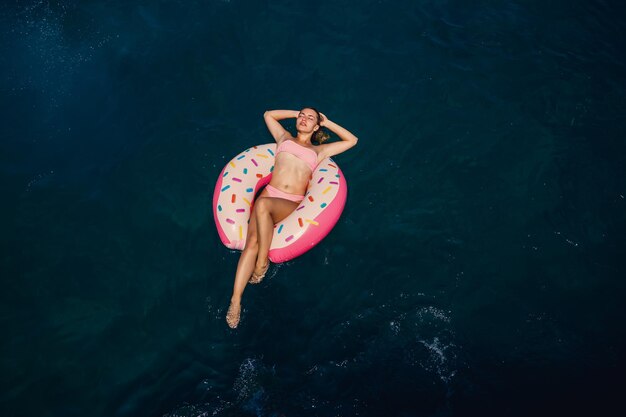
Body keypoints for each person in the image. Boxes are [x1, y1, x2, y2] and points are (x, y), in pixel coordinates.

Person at [226, 108, 358, 328]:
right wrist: (297, 112)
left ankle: (261, 263)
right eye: (301, 116)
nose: (304, 119)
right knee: (251, 243)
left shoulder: (320, 151)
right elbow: (268, 115)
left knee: (263, 204)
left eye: (310, 118)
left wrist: (327, 121)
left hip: (288, 203)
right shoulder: (283, 138)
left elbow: (352, 140)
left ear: (317, 126)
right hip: (269, 192)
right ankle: (236, 299)